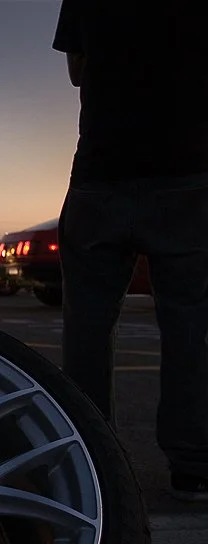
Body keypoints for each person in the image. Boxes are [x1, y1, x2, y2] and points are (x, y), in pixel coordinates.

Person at [53, 0, 208, 500]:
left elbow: (77, 72)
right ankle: (193, 465)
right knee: (189, 325)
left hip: (102, 171)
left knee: (88, 326)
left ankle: (90, 460)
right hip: (185, 172)